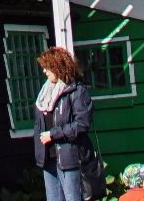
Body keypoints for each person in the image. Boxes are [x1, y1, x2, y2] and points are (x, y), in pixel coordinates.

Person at [33, 44, 98, 201]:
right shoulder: (44, 93)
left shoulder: (77, 91)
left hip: (70, 159)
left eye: (47, 67)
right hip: (48, 159)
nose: (44, 71)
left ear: (58, 66)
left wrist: (53, 134)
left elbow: (81, 124)